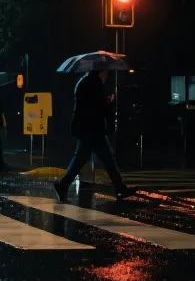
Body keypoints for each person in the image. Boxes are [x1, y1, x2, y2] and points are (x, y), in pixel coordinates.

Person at [54, 69, 135, 201]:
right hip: (93, 128)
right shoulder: (94, 83)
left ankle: (63, 185)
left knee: (81, 159)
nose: (106, 75)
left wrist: (104, 99)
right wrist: (108, 101)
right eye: (106, 72)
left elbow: (89, 103)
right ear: (100, 72)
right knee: (107, 159)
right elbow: (96, 106)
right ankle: (120, 188)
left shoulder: (84, 81)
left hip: (86, 127)